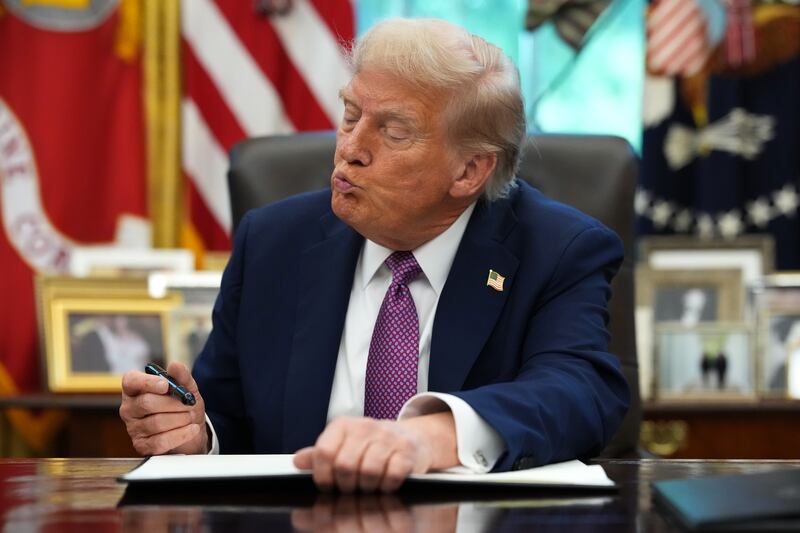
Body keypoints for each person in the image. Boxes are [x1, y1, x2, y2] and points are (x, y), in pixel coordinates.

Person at [119, 18, 629, 493]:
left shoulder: (558, 250)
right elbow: (226, 413)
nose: (350, 148)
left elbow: (579, 392)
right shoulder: (273, 242)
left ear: (469, 172)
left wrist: (428, 438)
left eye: (393, 131)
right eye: (350, 115)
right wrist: (193, 434)